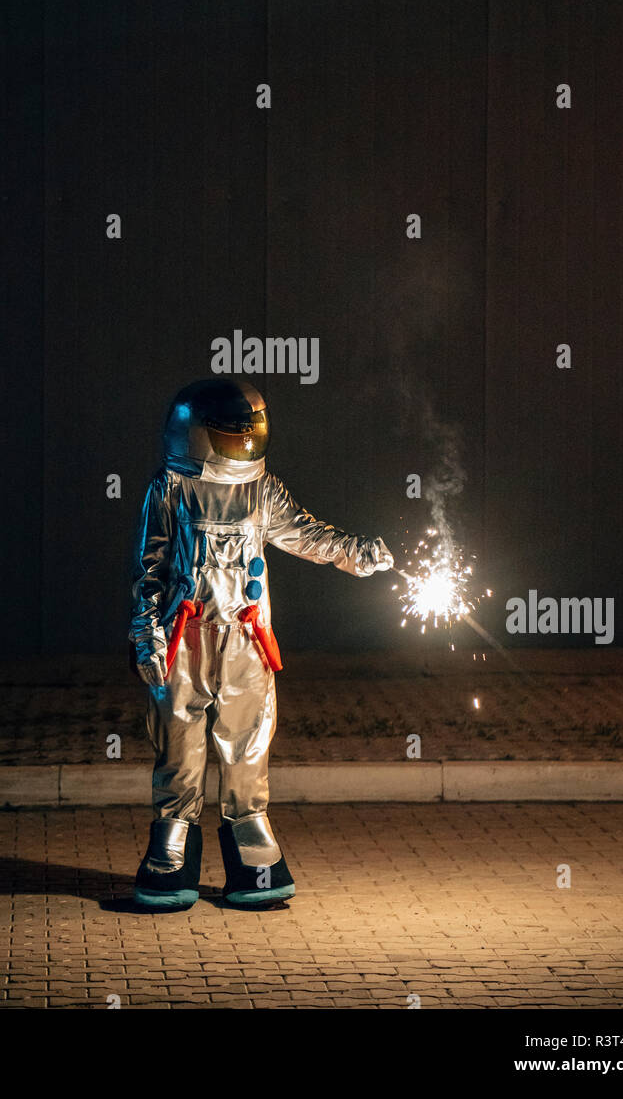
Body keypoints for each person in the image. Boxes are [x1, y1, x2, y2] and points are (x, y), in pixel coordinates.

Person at [128, 378, 393, 908]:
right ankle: (172, 847)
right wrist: (146, 632)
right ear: (197, 435)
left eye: (249, 435)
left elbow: (305, 533)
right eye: (230, 436)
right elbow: (149, 569)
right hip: (185, 639)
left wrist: (355, 553)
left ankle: (253, 849)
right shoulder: (171, 487)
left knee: (248, 744)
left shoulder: (261, 488)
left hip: (246, 640)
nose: (243, 447)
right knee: (179, 744)